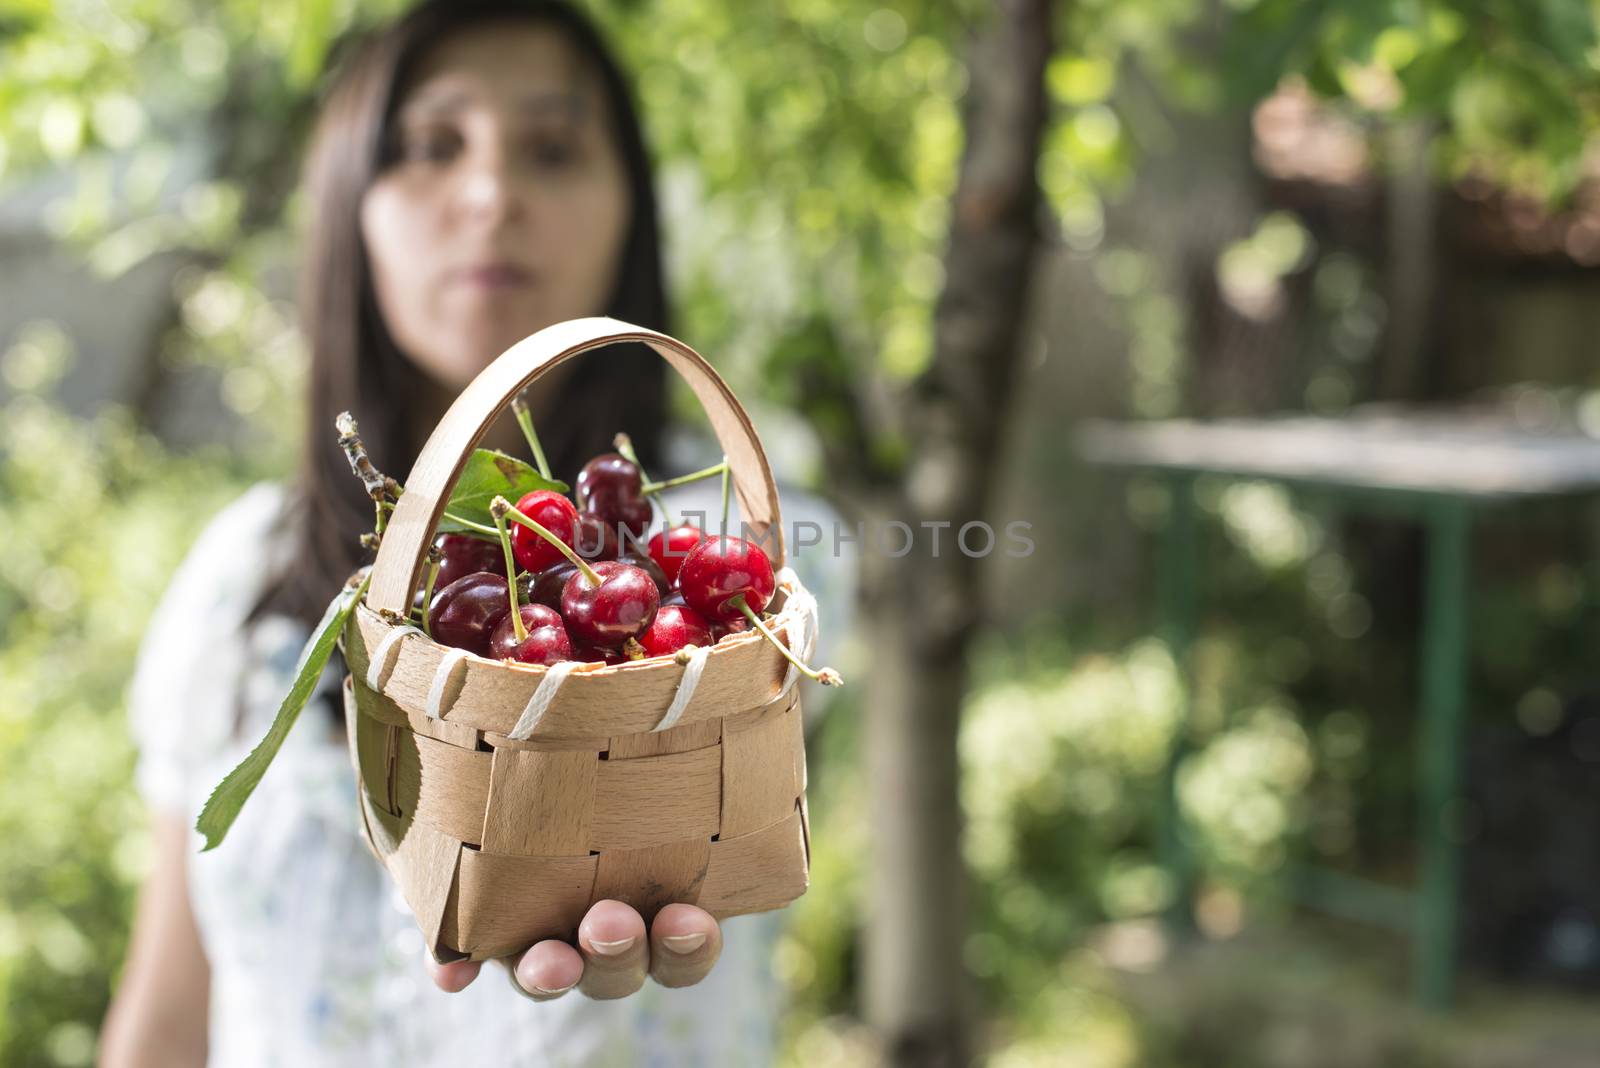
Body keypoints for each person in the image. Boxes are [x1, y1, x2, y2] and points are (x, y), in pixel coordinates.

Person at [98, 2, 852, 1064]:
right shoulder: (239, 577)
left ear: (629, 209)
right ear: (349, 208)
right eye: (430, 147)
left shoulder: (740, 563)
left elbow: (709, 823)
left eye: (551, 149)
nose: (492, 197)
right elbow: (166, 1006)